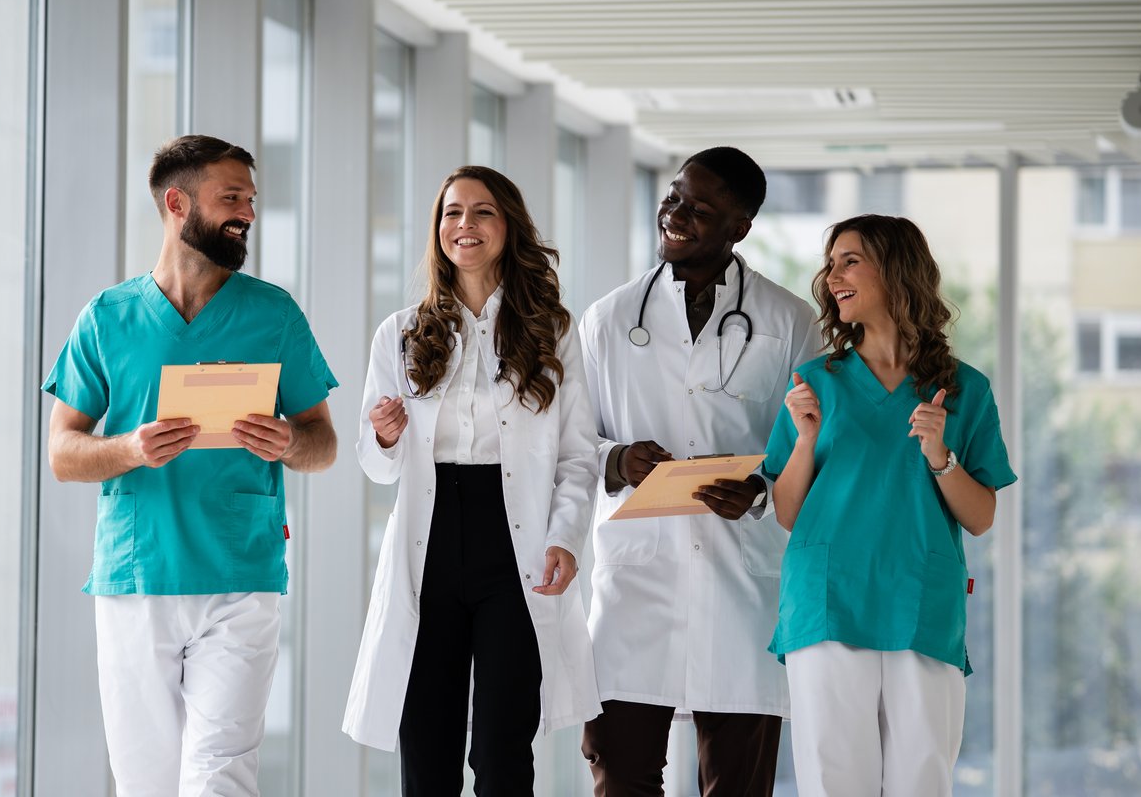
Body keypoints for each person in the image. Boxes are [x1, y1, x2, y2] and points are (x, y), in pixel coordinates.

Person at [42, 135, 338, 797]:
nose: (248, 214)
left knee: (219, 775)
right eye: (231, 198)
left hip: (241, 577)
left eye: (251, 200)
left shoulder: (273, 314)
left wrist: (287, 441)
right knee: (147, 782)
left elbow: (323, 441)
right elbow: (63, 452)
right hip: (136, 576)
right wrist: (130, 448)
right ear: (177, 203)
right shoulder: (108, 318)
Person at [343, 165, 601, 795]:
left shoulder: (553, 332)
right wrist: (383, 434)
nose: (465, 226)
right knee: (425, 743)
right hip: (429, 544)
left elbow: (577, 455)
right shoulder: (401, 332)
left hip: (514, 546)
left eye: (482, 211)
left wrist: (565, 538)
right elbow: (376, 467)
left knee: (503, 747)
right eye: (451, 213)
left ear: (509, 225)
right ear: (438, 230)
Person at [578, 147, 822, 797]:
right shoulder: (607, 319)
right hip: (635, 580)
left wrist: (761, 492)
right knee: (621, 776)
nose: (677, 214)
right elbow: (569, 443)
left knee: (739, 784)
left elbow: (812, 447)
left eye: (701, 208)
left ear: (739, 227)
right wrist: (617, 459)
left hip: (740, 581)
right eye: (676, 197)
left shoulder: (787, 320)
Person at [764, 214, 1016, 797]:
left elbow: (980, 517)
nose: (833, 276)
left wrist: (940, 455)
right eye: (831, 263)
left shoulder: (963, 389)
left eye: (849, 260)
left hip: (919, 601)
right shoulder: (812, 382)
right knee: (834, 783)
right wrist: (805, 440)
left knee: (922, 781)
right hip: (827, 602)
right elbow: (787, 511)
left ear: (897, 270)